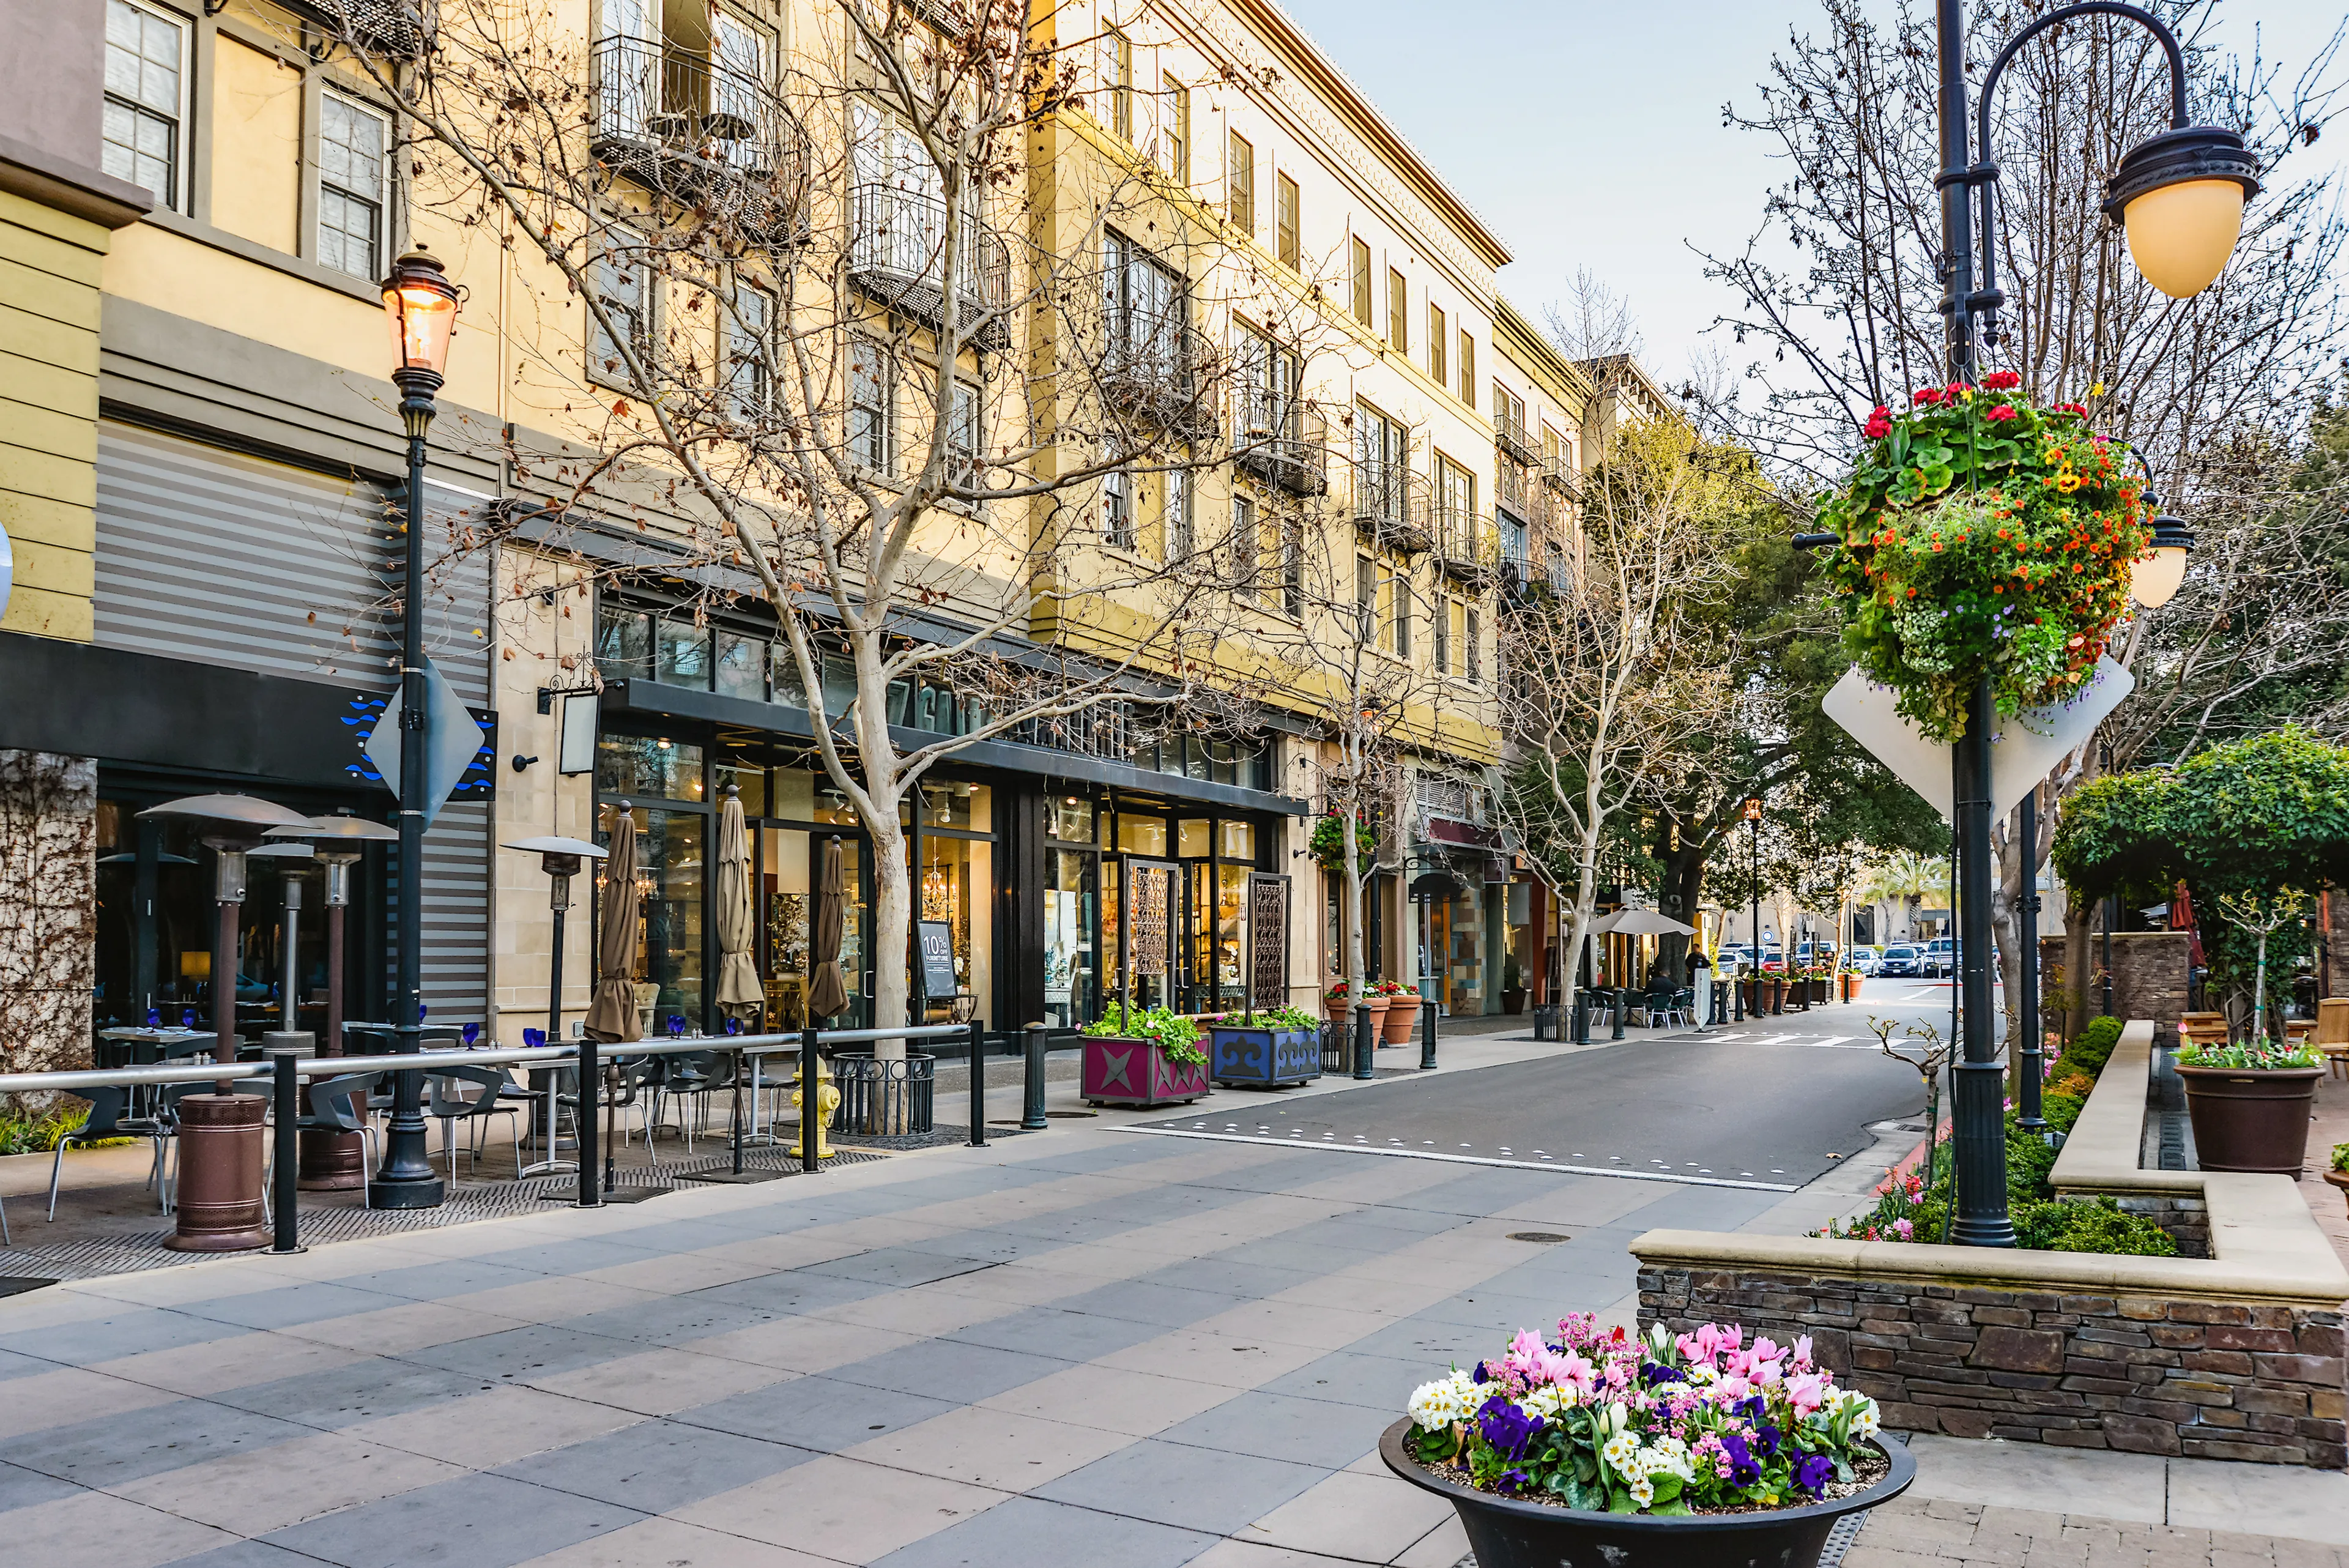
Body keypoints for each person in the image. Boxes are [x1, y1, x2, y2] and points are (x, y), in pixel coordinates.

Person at [1688, 943, 1714, 1031]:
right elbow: (1687, 964)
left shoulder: (1702, 956)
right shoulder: (1691, 957)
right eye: (1693, 948)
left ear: (1698, 948)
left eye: (1696, 948)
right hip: (1693, 976)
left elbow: (1708, 964)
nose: (1694, 949)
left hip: (1701, 976)